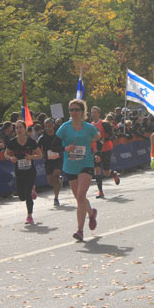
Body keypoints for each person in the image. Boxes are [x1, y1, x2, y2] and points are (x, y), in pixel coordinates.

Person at [53, 99, 101, 241]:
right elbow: (54, 145)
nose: (74, 112)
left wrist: (97, 152)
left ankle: (80, 230)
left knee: (80, 196)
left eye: (76, 110)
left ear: (82, 112)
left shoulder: (88, 127)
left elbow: (99, 138)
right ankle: (91, 213)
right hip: (70, 166)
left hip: (86, 164)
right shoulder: (64, 127)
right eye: (71, 110)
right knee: (79, 197)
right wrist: (65, 148)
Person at [5, 120, 43, 224]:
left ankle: (29, 215)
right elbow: (6, 154)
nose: (18, 130)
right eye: (16, 128)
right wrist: (10, 157)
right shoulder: (12, 142)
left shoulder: (31, 142)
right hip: (19, 170)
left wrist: (31, 157)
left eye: (20, 127)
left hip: (30, 170)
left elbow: (40, 155)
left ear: (25, 128)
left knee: (27, 193)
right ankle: (31, 190)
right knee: (21, 196)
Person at [90, 106, 119, 199]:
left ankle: (113, 173)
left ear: (99, 113)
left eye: (95, 112)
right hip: (96, 150)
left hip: (106, 149)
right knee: (97, 171)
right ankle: (100, 191)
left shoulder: (104, 124)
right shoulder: (90, 126)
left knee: (106, 173)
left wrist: (103, 140)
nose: (93, 114)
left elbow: (113, 136)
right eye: (92, 112)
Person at [37, 119, 63, 206]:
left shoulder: (58, 135)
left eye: (49, 126)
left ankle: (56, 198)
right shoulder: (42, 138)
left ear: (53, 126)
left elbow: (64, 144)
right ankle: (59, 180)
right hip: (48, 160)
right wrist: (41, 153)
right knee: (51, 181)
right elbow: (38, 149)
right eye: (46, 126)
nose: (48, 128)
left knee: (56, 174)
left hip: (58, 159)